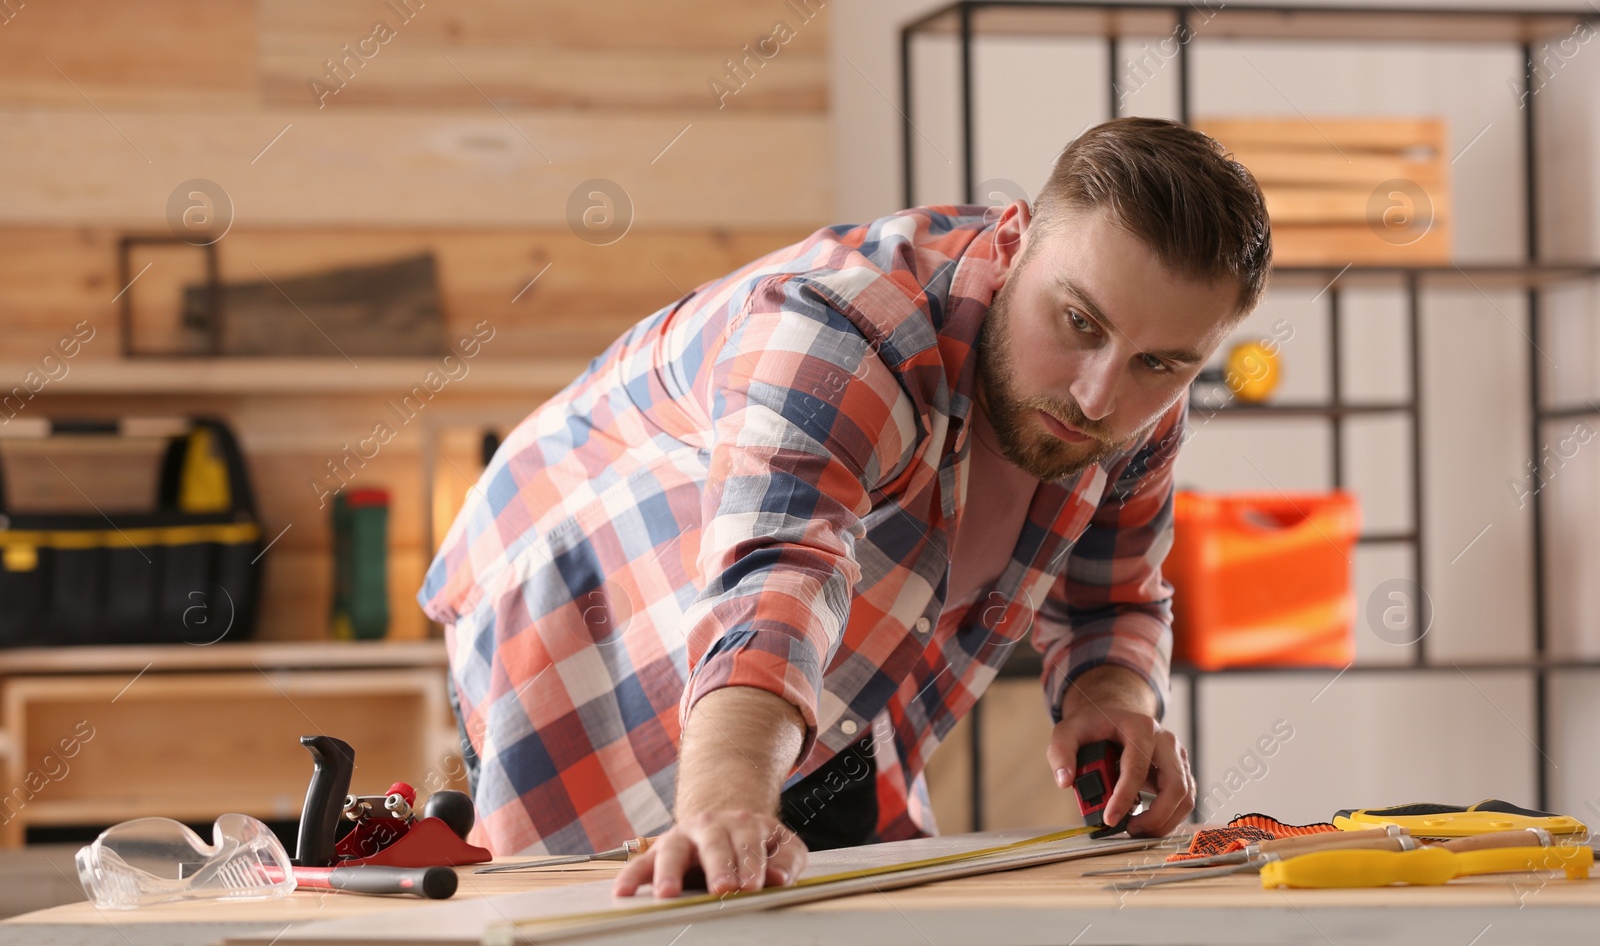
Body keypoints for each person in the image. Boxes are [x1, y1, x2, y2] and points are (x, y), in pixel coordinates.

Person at [417, 116, 1272, 898]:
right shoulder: (843, 327)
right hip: (590, 588)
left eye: (1160, 364)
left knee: (844, 900)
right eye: (1080, 322)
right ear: (1014, 242)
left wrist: (1111, 699)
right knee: (616, 901)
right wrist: (726, 801)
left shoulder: (1143, 396)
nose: (1097, 396)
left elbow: (1112, 596)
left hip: (832, 669)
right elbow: (775, 577)